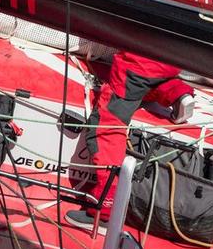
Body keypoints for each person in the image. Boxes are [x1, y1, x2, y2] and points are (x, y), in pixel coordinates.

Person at [66, 51, 196, 231]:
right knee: (152, 74)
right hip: (171, 59)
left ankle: (105, 212)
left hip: (138, 60)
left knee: (106, 127)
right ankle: (177, 92)